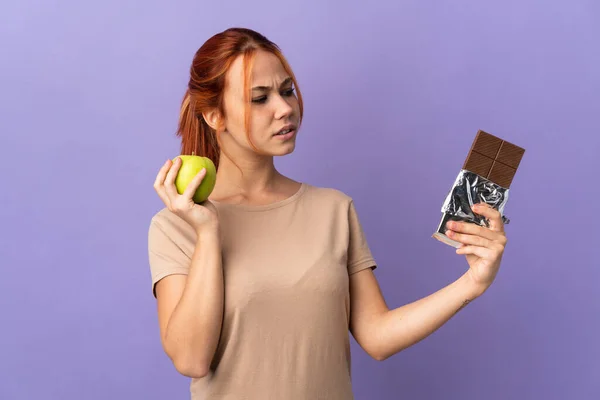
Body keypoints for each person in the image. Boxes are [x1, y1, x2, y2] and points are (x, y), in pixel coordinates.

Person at [148, 27, 509, 400]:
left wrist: (472, 284)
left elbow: (377, 337)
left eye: (287, 91)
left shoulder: (334, 210)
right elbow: (191, 359)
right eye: (260, 98)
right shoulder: (176, 226)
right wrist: (208, 233)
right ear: (213, 116)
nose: (285, 108)